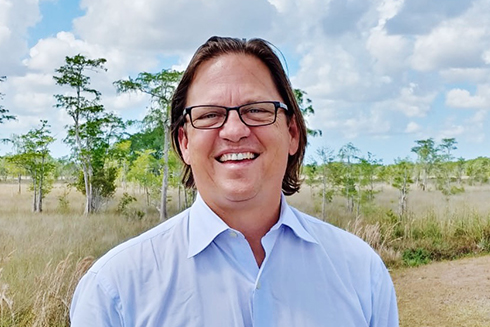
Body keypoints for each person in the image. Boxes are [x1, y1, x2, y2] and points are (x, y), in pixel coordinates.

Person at [70, 36, 399, 327]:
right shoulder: (114, 289)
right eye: (210, 114)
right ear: (184, 142)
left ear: (292, 133)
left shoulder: (360, 270)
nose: (235, 130)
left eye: (256, 110)